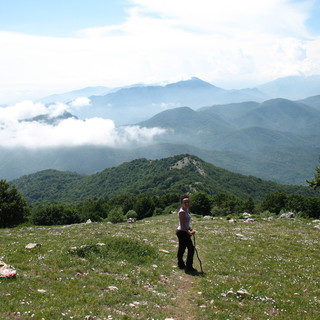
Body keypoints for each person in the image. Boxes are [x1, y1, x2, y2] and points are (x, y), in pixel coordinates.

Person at [176, 193, 197, 274]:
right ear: (181, 203)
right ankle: (189, 266)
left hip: (183, 231)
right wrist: (189, 232)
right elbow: (182, 224)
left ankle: (181, 264)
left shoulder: (186, 210)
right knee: (191, 248)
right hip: (182, 232)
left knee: (182, 248)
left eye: (188, 202)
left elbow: (186, 223)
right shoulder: (182, 212)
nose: (187, 203)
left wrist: (190, 228)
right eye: (185, 202)